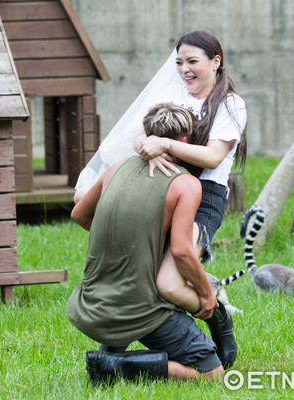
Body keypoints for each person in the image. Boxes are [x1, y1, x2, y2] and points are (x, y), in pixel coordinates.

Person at [75, 31, 248, 316]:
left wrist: (164, 145)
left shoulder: (230, 104)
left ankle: (218, 314)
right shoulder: (171, 93)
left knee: (168, 283)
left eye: (192, 61)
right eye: (179, 62)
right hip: (161, 183)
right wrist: (149, 151)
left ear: (215, 61)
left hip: (204, 193)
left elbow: (214, 157)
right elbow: (139, 138)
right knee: (83, 198)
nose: (184, 70)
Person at [66, 102, 235, 384]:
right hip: (141, 309)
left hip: (93, 302)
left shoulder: (117, 168)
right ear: (184, 140)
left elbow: (79, 213)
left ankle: (111, 356)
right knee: (212, 374)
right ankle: (113, 364)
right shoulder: (185, 184)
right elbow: (182, 251)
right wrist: (207, 296)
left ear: (148, 134)